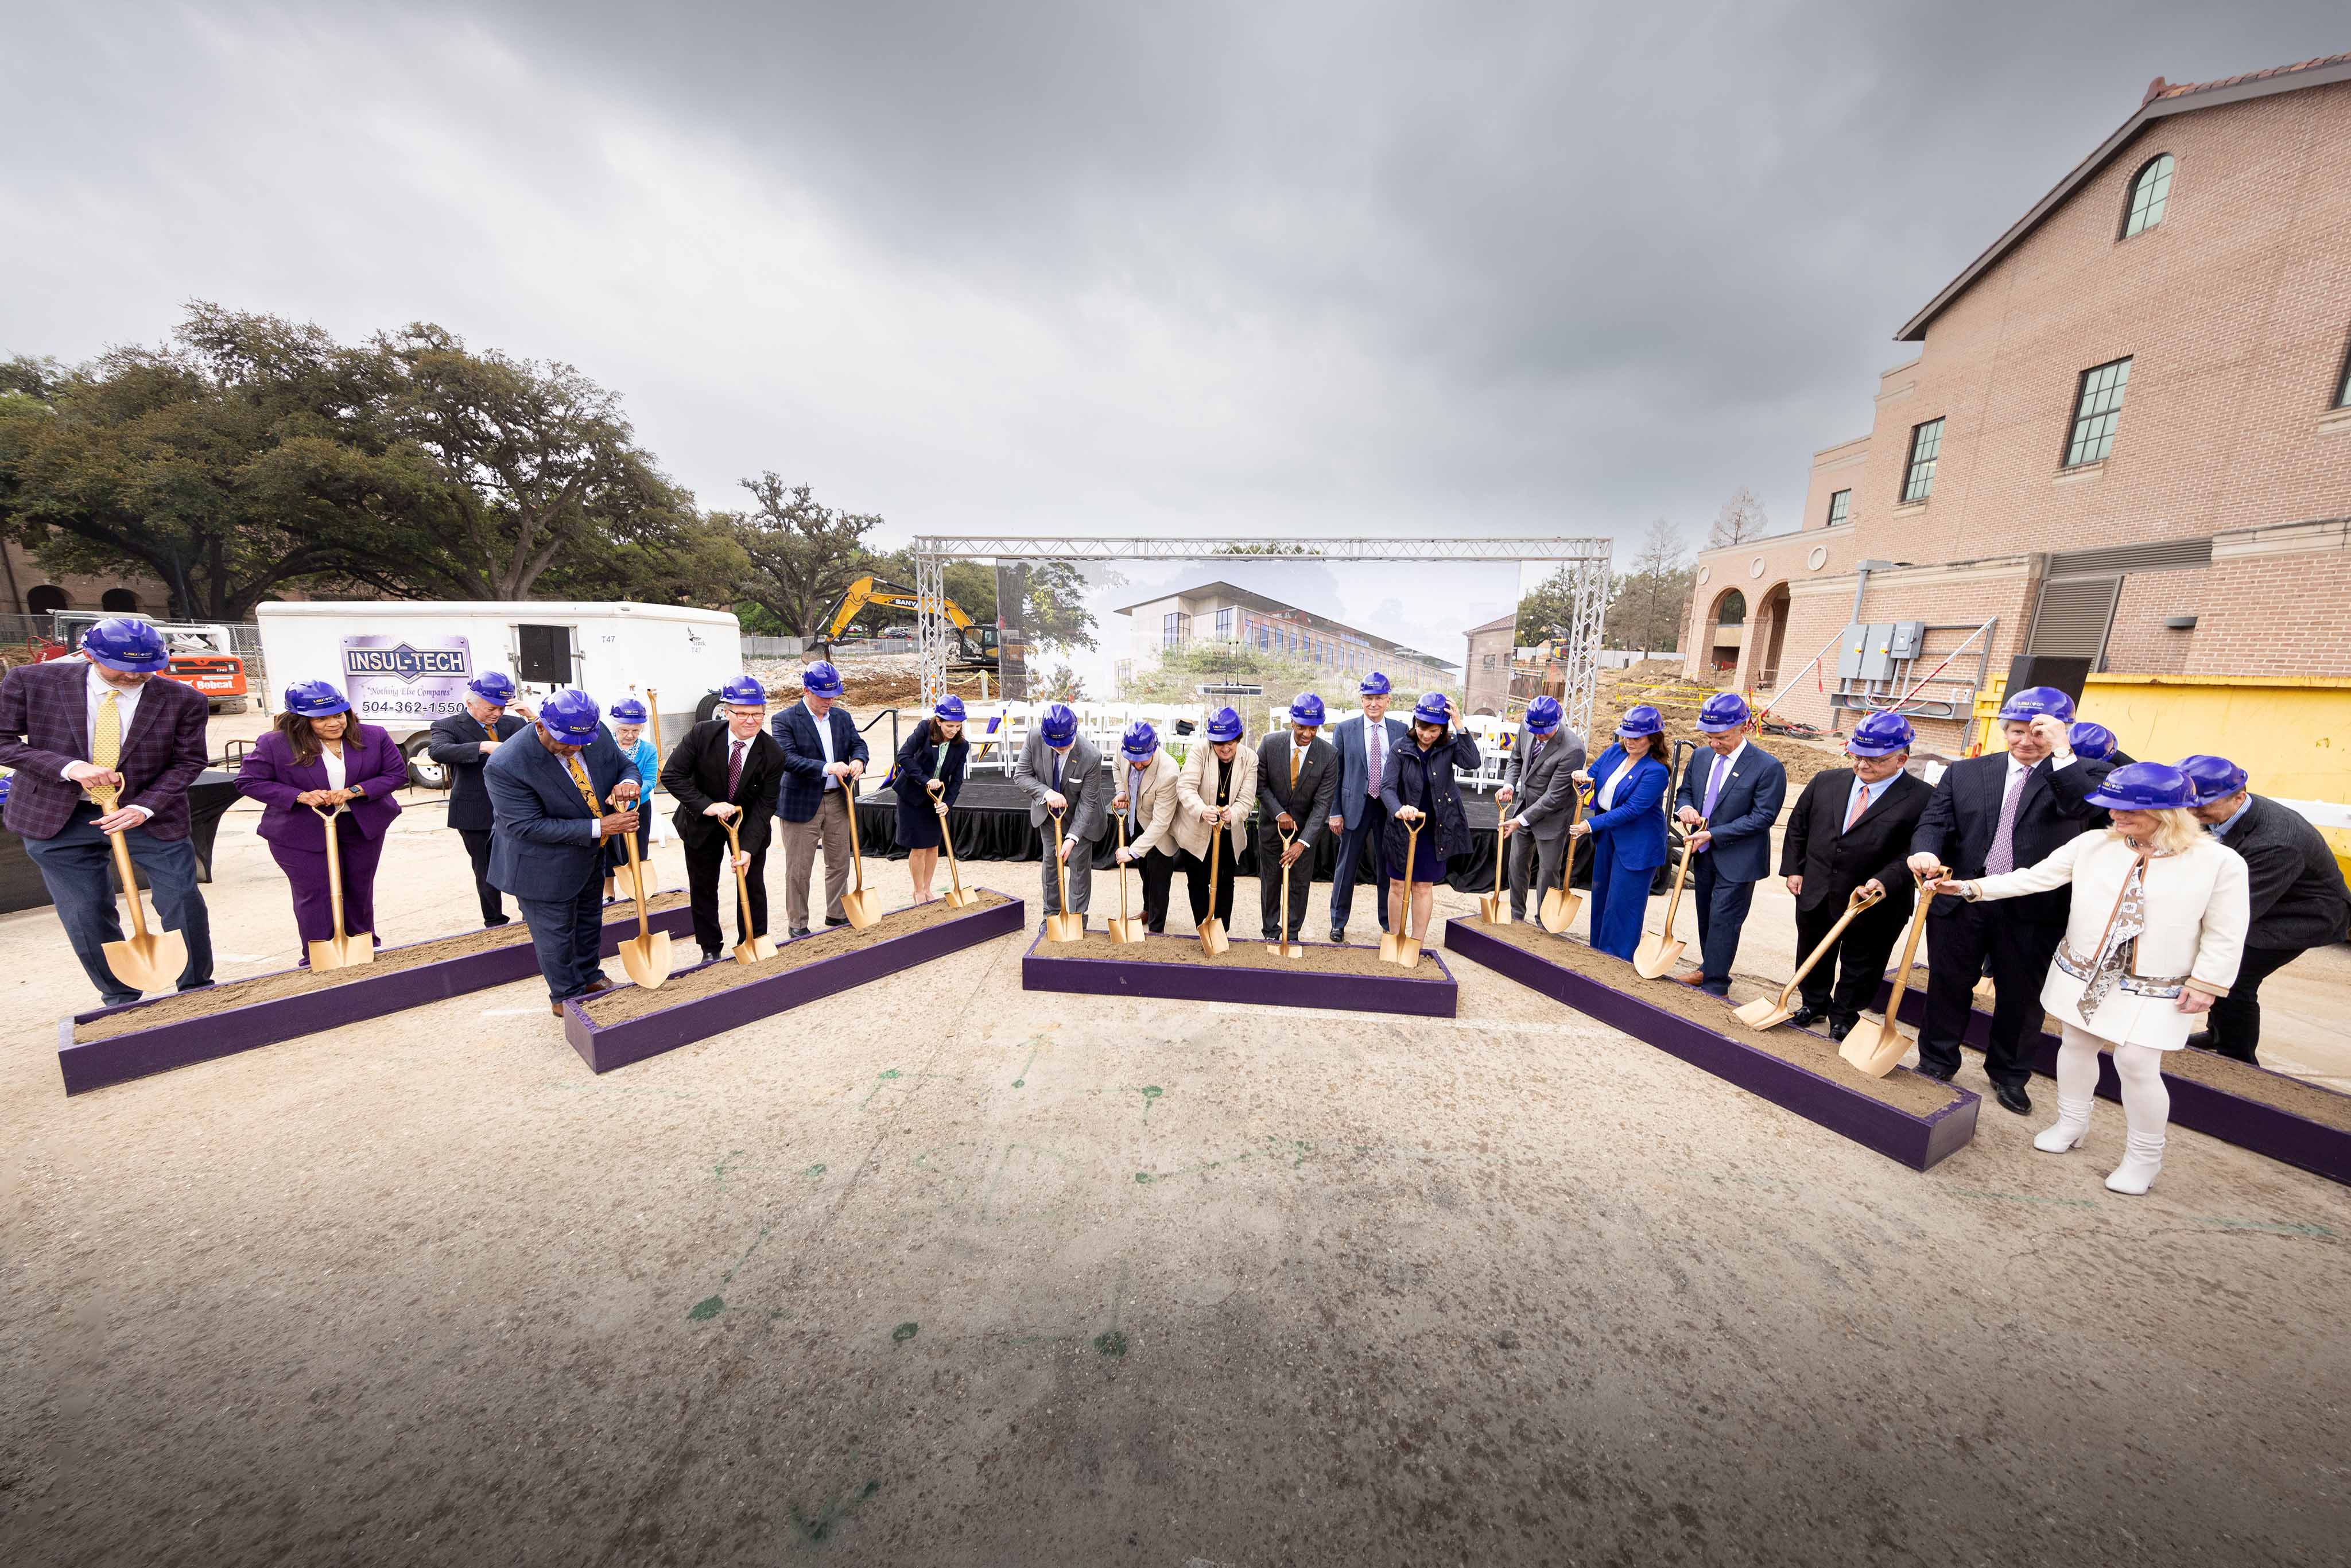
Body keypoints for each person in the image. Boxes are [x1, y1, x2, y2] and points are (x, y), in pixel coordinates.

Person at [1930, 762, 2248, 1194]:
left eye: (2127, 812)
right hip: (2082, 972)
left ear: (2170, 812)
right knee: (2076, 1045)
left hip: (2156, 985)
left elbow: (2227, 930)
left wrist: (2208, 982)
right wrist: (1972, 889)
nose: (2115, 818)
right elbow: (2036, 878)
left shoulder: (2218, 862)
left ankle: (2144, 1158)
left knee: (2136, 1063)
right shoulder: (2096, 844)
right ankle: (2071, 1124)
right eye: (2111, 809)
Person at [1907, 686, 2115, 1115]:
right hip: (1961, 898)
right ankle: (1937, 1061)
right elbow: (1936, 820)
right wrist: (1926, 849)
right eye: (2017, 732)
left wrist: (2061, 753)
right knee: (1948, 984)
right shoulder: (1966, 772)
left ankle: (2009, 1075)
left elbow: (2079, 808)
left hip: (2033, 909)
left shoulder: (2086, 773)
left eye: (2038, 734)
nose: (2025, 742)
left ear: (2060, 734)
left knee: (2021, 997)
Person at [0, 616, 214, 1006]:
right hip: (57, 817)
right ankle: (120, 997)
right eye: (126, 669)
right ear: (88, 656)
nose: (137, 677)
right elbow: (2, 741)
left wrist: (143, 807)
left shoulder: (185, 700)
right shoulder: (31, 683)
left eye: (148, 669)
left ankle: (197, 990)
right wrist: (68, 768)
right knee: (85, 910)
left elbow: (188, 762)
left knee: (182, 897)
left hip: (146, 813)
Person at [2179, 754, 2350, 1065]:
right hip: (2269, 898)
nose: (2192, 812)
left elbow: (2236, 910)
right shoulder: (2226, 809)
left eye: (2202, 806)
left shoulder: (2275, 842)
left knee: (2232, 975)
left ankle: (2238, 1061)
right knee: (2222, 965)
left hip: (2302, 914)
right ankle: (2218, 1034)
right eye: (2188, 803)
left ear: (2239, 797)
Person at [483, 689, 642, 1014]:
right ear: (540, 725)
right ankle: (566, 997)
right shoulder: (507, 764)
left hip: (589, 856)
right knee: (554, 934)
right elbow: (526, 827)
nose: (575, 748)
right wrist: (602, 827)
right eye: (566, 742)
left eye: (581, 741)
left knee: (588, 921)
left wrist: (627, 783)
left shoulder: (592, 737)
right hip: (541, 865)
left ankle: (590, 976)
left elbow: (624, 765)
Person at [1776, 711, 1932, 1038]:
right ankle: (1814, 1003)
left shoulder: (1922, 798)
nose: (1862, 765)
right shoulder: (1826, 782)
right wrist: (1795, 869)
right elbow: (1798, 827)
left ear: (1902, 758)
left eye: (1874, 760)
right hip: (1818, 888)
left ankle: (1845, 1016)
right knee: (1813, 951)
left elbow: (1917, 850)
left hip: (1875, 899)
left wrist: (1886, 881)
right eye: (1857, 756)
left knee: (1862, 963)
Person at [235, 680, 407, 960]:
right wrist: (300, 796)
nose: (334, 723)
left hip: (360, 827)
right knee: (315, 891)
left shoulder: (373, 736)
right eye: (321, 719)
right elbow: (249, 781)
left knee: (358, 887)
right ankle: (318, 954)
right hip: (299, 831)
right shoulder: (275, 744)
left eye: (338, 715)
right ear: (300, 721)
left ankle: (362, 946)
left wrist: (355, 791)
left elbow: (396, 775)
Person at [660, 676, 783, 962]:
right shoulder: (703, 734)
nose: (750, 720)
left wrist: (749, 849)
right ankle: (710, 947)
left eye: (757, 713)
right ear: (726, 712)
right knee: (703, 884)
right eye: (742, 713)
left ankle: (752, 939)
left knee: (752, 882)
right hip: (701, 820)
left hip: (747, 824)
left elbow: (766, 805)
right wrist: (708, 806)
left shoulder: (773, 753)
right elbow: (672, 776)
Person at [1670, 693, 1786, 995]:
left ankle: (1715, 984)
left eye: (1721, 738)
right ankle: (1710, 967)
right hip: (1704, 854)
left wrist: (1714, 834)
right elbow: (1686, 792)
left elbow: (1763, 817)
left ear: (1743, 728)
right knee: (1707, 917)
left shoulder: (1767, 767)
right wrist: (1685, 808)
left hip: (1738, 859)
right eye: (1709, 737)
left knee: (1725, 920)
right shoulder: (1701, 757)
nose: (1714, 744)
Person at [427, 672, 532, 929]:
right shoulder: (449, 726)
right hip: (475, 810)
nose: (496, 714)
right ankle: (494, 921)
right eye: (490, 709)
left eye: (500, 708)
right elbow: (438, 751)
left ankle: (530, 914)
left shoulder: (514, 725)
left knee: (524, 862)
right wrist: (483, 747)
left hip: (516, 808)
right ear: (470, 703)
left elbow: (546, 741)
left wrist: (531, 716)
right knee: (484, 868)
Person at [772, 661, 868, 937]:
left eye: (833, 695)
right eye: (823, 696)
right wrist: (827, 767)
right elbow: (786, 758)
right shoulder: (785, 720)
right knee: (799, 867)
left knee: (839, 861)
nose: (829, 701)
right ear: (806, 691)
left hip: (839, 798)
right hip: (801, 803)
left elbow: (857, 744)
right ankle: (798, 924)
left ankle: (837, 915)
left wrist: (860, 760)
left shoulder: (842, 717)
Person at [1569, 706, 1671, 962]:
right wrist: (1582, 775)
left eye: (1636, 738)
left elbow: (1632, 809)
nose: (1629, 741)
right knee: (1602, 896)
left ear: (1653, 739)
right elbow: (1593, 776)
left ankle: (1617, 962)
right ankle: (1599, 953)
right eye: (1626, 735)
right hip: (1609, 838)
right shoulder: (1615, 751)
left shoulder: (1656, 772)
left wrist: (1590, 825)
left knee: (1623, 905)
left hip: (1638, 844)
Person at [1380, 692, 1480, 950]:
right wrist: (1399, 809)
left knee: (1423, 886)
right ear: (1415, 723)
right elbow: (1387, 788)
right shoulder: (1400, 747)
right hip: (1403, 828)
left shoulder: (1449, 747)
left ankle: (1417, 942)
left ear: (1442, 728)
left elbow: (1473, 762)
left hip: (1433, 830)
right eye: (1422, 728)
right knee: (1398, 885)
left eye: (1434, 730)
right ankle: (1394, 937)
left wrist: (1460, 724)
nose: (1426, 735)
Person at [1326, 672, 1408, 943]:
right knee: (1346, 866)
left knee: (1387, 867)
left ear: (1388, 700)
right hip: (1353, 807)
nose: (1373, 704)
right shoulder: (1344, 729)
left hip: (1388, 808)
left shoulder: (1400, 730)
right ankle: (1338, 922)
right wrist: (1335, 811)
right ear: (1362, 699)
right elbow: (1336, 775)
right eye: (1368, 698)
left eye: (1379, 699)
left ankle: (1388, 923)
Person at [1256, 693, 1339, 945]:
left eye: (1314, 728)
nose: (1307, 734)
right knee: (1271, 882)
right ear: (1292, 721)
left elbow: (1323, 804)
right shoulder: (1270, 744)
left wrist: (1302, 843)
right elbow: (1260, 786)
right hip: (1272, 829)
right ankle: (1271, 932)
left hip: (1304, 835)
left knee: (1299, 885)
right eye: (1302, 727)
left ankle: (1291, 934)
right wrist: (1279, 813)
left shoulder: (1329, 755)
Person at [1015, 701, 1105, 930]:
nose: (1060, 749)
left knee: (1078, 869)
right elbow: (1021, 775)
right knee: (1051, 864)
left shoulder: (1091, 755)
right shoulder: (1035, 738)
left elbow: (1088, 802)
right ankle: (1051, 916)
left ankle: (1077, 920)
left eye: (1064, 745)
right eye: (1055, 746)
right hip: (1048, 814)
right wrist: (1047, 793)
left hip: (1082, 818)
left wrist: (1072, 837)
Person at [1495, 694, 1585, 923]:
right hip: (1524, 807)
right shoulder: (1528, 729)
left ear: (1558, 723)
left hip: (1552, 818)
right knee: (1516, 864)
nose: (1539, 735)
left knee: (1548, 871)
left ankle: (1543, 921)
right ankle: (1516, 916)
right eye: (1535, 730)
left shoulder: (1573, 749)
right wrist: (1509, 785)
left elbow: (1554, 797)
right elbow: (1516, 759)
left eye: (1545, 731)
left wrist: (1521, 820)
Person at [1176, 707, 1256, 932]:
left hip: (1228, 833)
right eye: (1219, 743)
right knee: (1198, 882)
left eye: (1231, 741)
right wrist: (1202, 810)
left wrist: (1234, 813)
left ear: (1238, 738)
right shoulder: (1199, 751)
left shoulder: (1250, 759)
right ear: (1211, 741)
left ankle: (1222, 930)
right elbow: (1185, 787)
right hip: (1198, 829)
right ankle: (1203, 926)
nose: (1225, 747)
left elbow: (1247, 799)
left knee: (1225, 883)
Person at [891, 694, 970, 905]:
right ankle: (918, 891)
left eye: (958, 726)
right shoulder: (924, 730)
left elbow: (957, 779)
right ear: (938, 721)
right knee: (918, 847)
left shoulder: (962, 746)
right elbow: (903, 756)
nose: (954, 731)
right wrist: (926, 781)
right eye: (949, 726)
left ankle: (927, 888)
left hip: (937, 800)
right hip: (912, 795)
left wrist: (948, 803)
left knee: (933, 846)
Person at [1110, 720, 1181, 933]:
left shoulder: (1169, 772)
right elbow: (1116, 766)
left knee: (1159, 878)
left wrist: (1131, 851)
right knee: (1144, 871)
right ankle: (1147, 910)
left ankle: (1157, 928)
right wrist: (1122, 791)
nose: (1137, 765)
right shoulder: (1123, 750)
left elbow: (1161, 823)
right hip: (1136, 820)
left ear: (1154, 748)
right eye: (1133, 761)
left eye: (1142, 761)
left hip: (1160, 830)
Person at [600, 696, 659, 903]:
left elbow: (651, 780)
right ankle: (608, 892)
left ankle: (637, 890)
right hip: (608, 807)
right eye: (624, 730)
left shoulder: (648, 750)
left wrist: (633, 793)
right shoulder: (605, 748)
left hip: (638, 807)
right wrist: (613, 797)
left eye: (635, 730)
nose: (630, 735)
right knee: (607, 849)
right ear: (615, 727)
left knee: (638, 848)